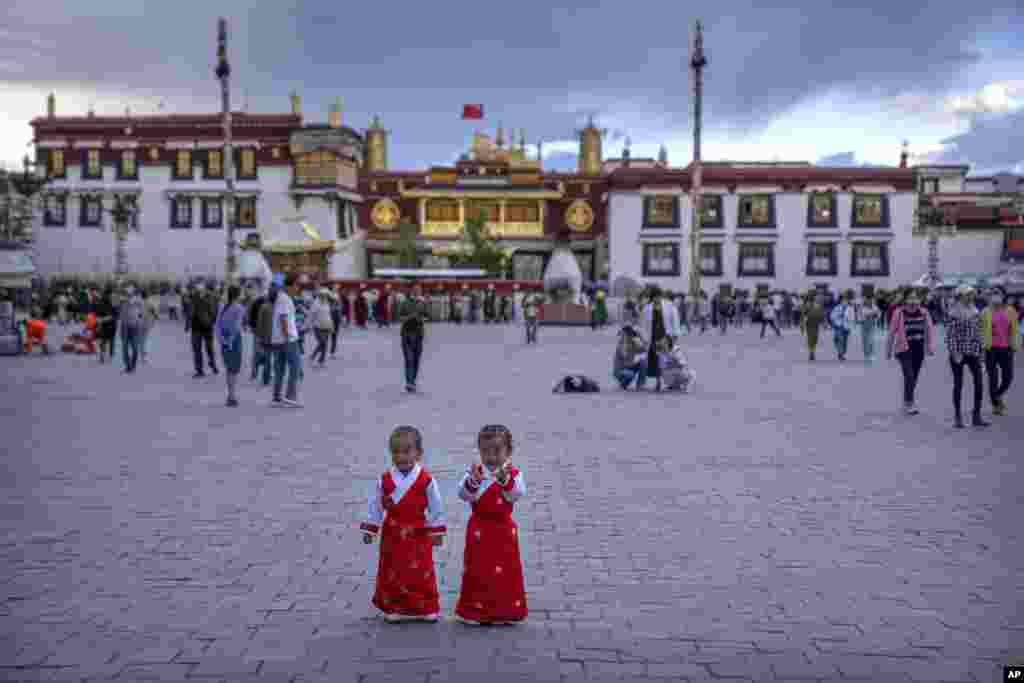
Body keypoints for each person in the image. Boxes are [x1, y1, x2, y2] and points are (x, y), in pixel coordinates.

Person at [361, 426, 446, 623]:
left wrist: (437, 530)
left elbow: (436, 505)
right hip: (393, 532)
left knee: (421, 570)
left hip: (419, 531)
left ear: (419, 453)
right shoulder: (385, 480)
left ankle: (425, 607)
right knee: (394, 570)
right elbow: (376, 505)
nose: (402, 457)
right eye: (396, 452)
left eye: (407, 451)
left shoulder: (426, 480)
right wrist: (371, 528)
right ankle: (395, 606)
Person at [455, 424, 527, 625]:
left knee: (506, 570)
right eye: (486, 451)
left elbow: (517, 494)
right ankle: (475, 609)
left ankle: (505, 610)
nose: (491, 457)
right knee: (477, 569)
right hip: (479, 530)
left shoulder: (513, 473)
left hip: (503, 530)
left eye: (497, 451)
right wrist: (473, 483)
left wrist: (506, 482)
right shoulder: (476, 472)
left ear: (508, 451)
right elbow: (463, 494)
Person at [945, 286, 989, 428]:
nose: (971, 297)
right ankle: (957, 416)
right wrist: (954, 353)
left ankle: (976, 416)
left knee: (979, 383)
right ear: (960, 296)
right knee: (958, 384)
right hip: (958, 353)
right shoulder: (953, 313)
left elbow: (979, 334)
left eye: (972, 294)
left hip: (973, 353)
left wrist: (982, 356)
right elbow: (950, 336)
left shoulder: (975, 311)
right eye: (968, 294)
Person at [886, 290, 936, 415]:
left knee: (914, 377)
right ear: (905, 300)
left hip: (918, 349)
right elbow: (891, 332)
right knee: (909, 376)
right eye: (910, 298)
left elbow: (929, 330)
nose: (913, 300)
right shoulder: (899, 313)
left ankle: (907, 400)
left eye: (915, 298)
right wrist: (888, 350)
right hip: (904, 349)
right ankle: (910, 403)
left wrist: (929, 347)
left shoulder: (924, 312)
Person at [980, 287, 1020, 416]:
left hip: (1007, 349)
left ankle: (996, 396)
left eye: (998, 293)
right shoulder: (985, 311)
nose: (995, 295)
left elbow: (1015, 330)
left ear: (1004, 295)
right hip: (990, 349)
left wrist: (1015, 345)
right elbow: (980, 330)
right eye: (993, 293)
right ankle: (997, 406)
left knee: (1008, 377)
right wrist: (981, 348)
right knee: (993, 378)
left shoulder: (1011, 311)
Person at [270, 274, 303, 408]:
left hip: (279, 339)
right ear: (292, 285)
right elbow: (283, 319)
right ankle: (290, 397)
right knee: (294, 367)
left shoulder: (280, 297)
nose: (298, 288)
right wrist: (287, 336)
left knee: (279, 369)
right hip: (288, 339)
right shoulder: (285, 299)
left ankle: (277, 397)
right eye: (297, 285)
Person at [640, 288, 681, 392]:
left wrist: (676, 333)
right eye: (655, 297)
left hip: (665, 336)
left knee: (668, 360)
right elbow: (644, 325)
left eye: (659, 296)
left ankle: (672, 381)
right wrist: (644, 338)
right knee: (656, 361)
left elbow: (675, 319)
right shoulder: (647, 308)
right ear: (652, 297)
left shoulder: (669, 306)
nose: (657, 298)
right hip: (653, 336)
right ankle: (658, 382)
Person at [215, 285, 246, 407]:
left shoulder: (222, 306)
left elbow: (217, 325)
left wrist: (221, 339)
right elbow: (236, 327)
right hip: (234, 340)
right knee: (234, 369)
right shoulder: (239, 308)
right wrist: (230, 341)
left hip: (224, 338)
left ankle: (230, 395)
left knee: (229, 368)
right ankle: (232, 396)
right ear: (238, 294)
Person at [398, 286, 430, 392]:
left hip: (418, 334)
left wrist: (421, 318)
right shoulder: (405, 302)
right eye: (415, 290)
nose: (417, 292)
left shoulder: (423, 303)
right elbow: (400, 317)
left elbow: (427, 317)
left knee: (416, 360)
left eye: (418, 290)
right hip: (406, 334)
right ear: (411, 291)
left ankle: (412, 381)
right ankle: (409, 383)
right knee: (409, 359)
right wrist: (408, 317)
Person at [190, 284, 218, 378]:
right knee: (198, 350)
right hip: (198, 328)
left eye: (200, 290)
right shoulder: (194, 298)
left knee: (208, 349)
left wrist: (211, 322)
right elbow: (191, 312)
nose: (198, 292)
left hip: (206, 328)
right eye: (197, 290)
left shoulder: (211, 298)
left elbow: (215, 312)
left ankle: (212, 364)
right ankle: (200, 370)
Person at [613, 324, 647, 391]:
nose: (630, 336)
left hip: (630, 365)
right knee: (630, 374)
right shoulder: (622, 343)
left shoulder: (635, 339)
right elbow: (625, 355)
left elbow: (643, 349)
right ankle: (623, 384)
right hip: (620, 370)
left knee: (644, 363)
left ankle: (640, 385)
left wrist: (637, 339)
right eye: (628, 334)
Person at [119, 287, 145, 373]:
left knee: (134, 348)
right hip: (125, 327)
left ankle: (132, 365)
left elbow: (141, 314)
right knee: (124, 348)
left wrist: (139, 323)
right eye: (127, 293)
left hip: (134, 327)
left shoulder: (139, 302)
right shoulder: (122, 302)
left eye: (130, 293)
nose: (129, 295)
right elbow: (118, 312)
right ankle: (128, 366)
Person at [309, 289, 334, 369]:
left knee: (325, 344)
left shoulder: (327, 304)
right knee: (322, 342)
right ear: (319, 295)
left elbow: (328, 316)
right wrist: (309, 325)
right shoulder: (315, 304)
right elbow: (311, 315)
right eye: (323, 295)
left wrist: (331, 325)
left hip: (327, 326)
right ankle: (313, 356)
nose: (324, 297)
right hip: (318, 327)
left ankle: (321, 361)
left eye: (326, 295)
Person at [854, 295, 881, 363]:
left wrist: (875, 317)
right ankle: (867, 354)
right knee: (865, 340)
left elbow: (879, 314)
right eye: (867, 300)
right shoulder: (861, 307)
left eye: (870, 300)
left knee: (871, 340)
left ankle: (872, 354)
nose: (868, 301)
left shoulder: (874, 307)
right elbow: (858, 315)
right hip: (864, 324)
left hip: (872, 324)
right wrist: (861, 319)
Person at [830, 292, 853, 361]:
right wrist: (835, 321)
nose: (844, 301)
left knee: (844, 341)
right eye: (843, 300)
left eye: (846, 300)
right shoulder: (837, 308)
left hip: (846, 326)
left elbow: (852, 318)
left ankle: (842, 353)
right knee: (837, 339)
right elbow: (832, 316)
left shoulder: (850, 308)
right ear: (841, 300)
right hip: (838, 326)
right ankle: (840, 352)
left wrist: (849, 324)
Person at [802, 292, 826, 361]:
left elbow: (821, 314)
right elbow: (804, 315)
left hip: (813, 323)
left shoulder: (816, 305)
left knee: (812, 338)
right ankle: (812, 351)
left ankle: (812, 351)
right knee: (813, 338)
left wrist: (824, 322)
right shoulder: (809, 305)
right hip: (812, 324)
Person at [329, 290, 342, 358]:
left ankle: (332, 352)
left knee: (334, 338)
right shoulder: (330, 306)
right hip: (329, 323)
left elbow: (339, 316)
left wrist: (340, 321)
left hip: (335, 323)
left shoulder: (337, 307)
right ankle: (331, 352)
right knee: (328, 338)